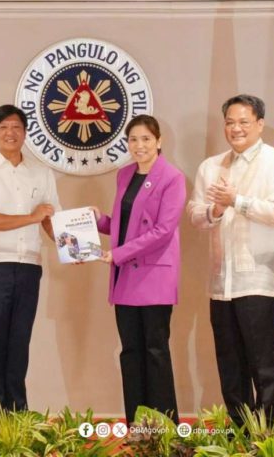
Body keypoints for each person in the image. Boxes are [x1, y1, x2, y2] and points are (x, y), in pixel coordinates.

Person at [187, 94, 274, 426]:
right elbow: (194, 215)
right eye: (230, 122)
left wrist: (239, 201)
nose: (236, 129)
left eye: (243, 122)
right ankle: (239, 428)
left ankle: (267, 431)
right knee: (229, 361)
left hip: (260, 279)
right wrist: (215, 210)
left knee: (262, 361)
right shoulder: (211, 166)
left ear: (260, 124)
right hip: (222, 282)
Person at [0, 104, 60, 411]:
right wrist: (31, 217)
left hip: (29, 268)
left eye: (17, 127)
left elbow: (50, 220)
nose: (10, 133)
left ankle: (18, 417)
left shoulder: (41, 172)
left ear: (25, 133)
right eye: (3, 127)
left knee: (19, 346)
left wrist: (74, 246)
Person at [94, 114, 186, 425]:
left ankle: (164, 423)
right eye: (133, 139)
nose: (139, 145)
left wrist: (118, 253)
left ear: (159, 141)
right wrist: (99, 221)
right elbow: (124, 225)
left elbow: (163, 230)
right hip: (125, 276)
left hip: (154, 276)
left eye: (146, 138)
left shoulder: (172, 177)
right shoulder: (124, 175)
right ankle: (136, 422)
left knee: (155, 351)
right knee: (130, 351)